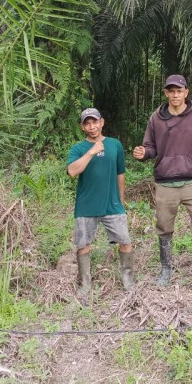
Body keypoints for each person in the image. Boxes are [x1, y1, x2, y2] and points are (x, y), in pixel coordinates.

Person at [132, 74, 192, 286]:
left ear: (186, 92)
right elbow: (151, 147)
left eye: (179, 91)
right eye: (171, 91)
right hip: (165, 182)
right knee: (164, 226)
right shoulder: (156, 118)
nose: (175, 94)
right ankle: (166, 269)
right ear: (166, 93)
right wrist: (144, 153)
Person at [67, 108, 134, 301]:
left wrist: (120, 201)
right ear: (82, 126)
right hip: (86, 206)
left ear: (102, 122)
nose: (92, 126)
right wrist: (92, 151)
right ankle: (85, 284)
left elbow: (120, 173)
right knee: (83, 246)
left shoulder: (114, 145)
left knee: (125, 241)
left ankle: (127, 279)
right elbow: (72, 171)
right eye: (87, 123)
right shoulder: (78, 149)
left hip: (112, 204)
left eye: (94, 122)